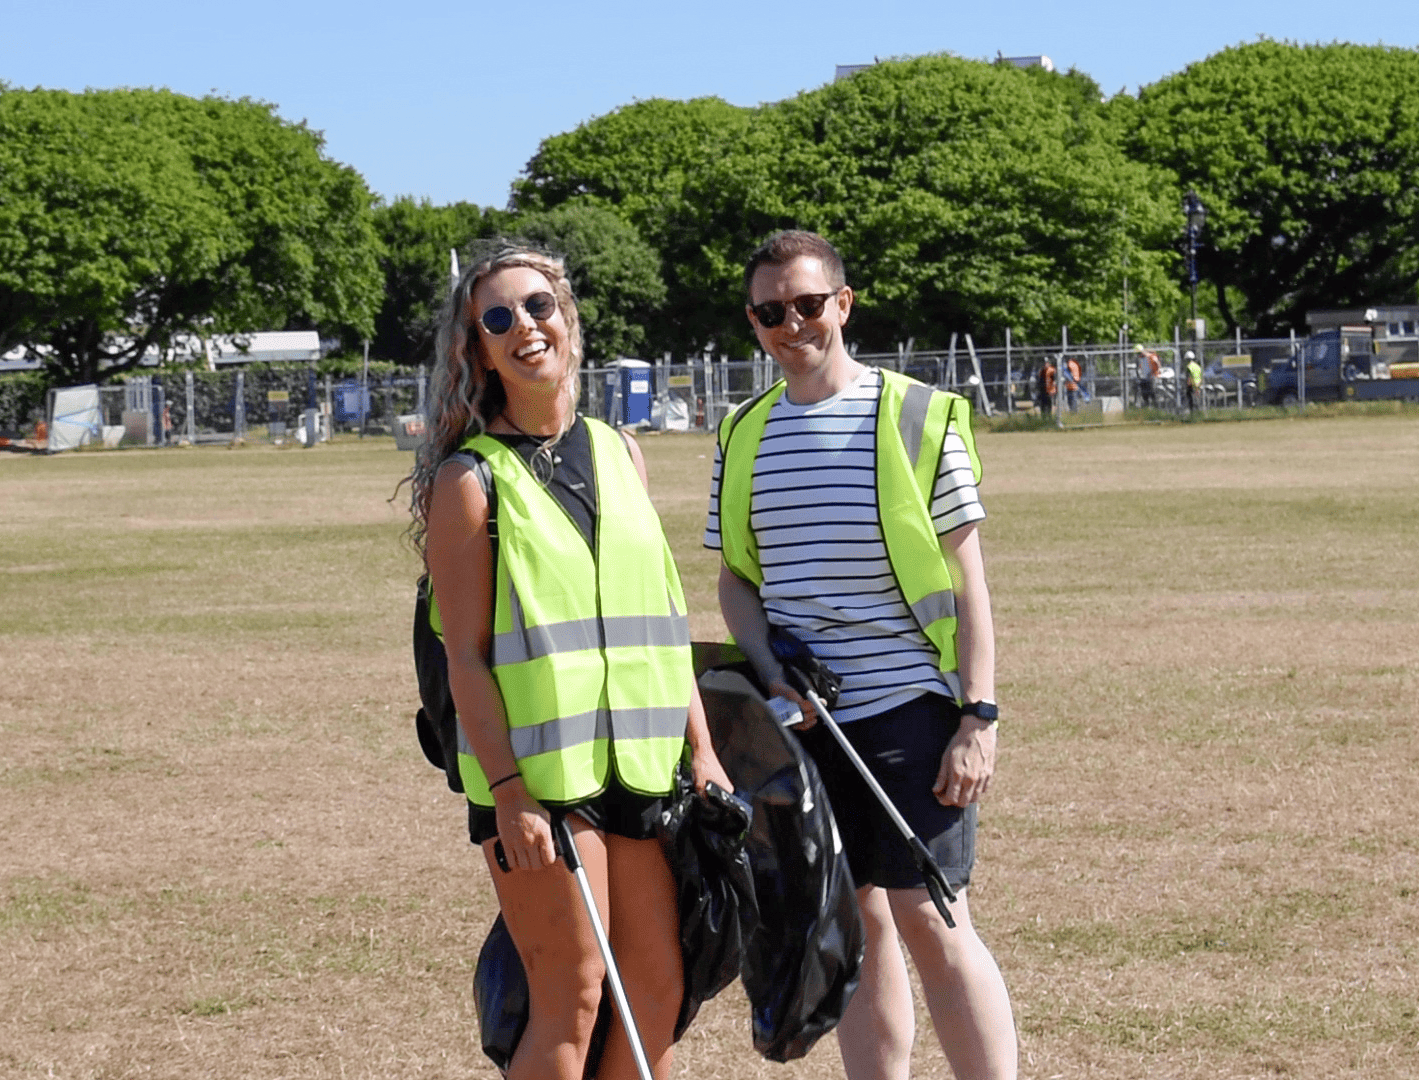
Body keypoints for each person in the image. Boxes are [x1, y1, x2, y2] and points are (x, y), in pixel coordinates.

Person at [407, 243, 732, 1080]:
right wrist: (509, 793)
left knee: (656, 990)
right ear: (477, 348)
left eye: (539, 307)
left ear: (569, 319)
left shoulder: (622, 450)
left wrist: (702, 750)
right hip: (540, 783)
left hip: (645, 765)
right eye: (499, 318)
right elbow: (468, 660)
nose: (526, 327)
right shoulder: (468, 482)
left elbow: (663, 617)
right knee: (575, 993)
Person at [709, 230, 1017, 1080]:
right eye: (771, 311)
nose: (791, 324)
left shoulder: (915, 414)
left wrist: (978, 716)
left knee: (933, 916)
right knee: (855, 919)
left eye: (809, 304)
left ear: (842, 305)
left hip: (911, 711)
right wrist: (770, 671)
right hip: (800, 723)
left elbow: (967, 581)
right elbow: (737, 578)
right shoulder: (742, 433)